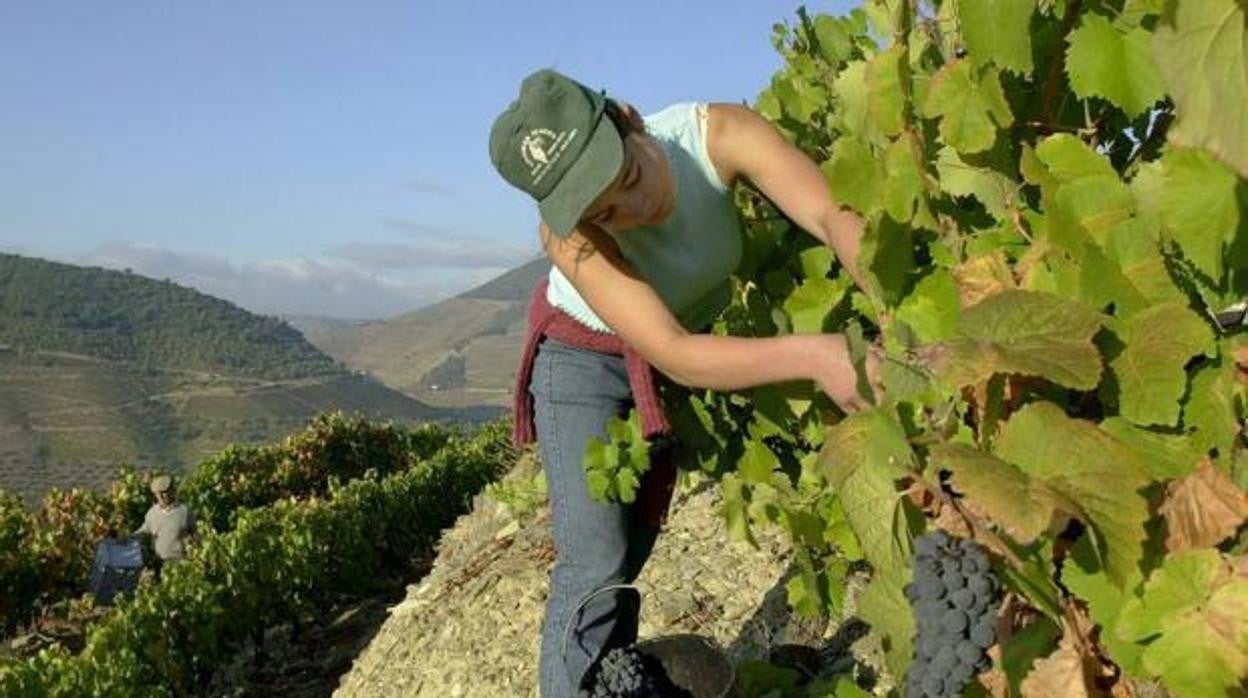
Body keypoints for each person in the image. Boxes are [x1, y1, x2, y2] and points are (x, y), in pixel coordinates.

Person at [489, 69, 883, 697]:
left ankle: (607, 681)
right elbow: (674, 352)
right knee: (594, 560)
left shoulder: (718, 135)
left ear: (631, 118)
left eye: (631, 179)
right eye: (608, 213)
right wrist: (819, 354)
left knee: (634, 541)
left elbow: (830, 213)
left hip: (673, 341)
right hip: (582, 359)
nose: (635, 210)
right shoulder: (574, 244)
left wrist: (891, 304)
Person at [133, 474, 196, 578]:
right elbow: (144, 531)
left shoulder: (185, 512)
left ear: (172, 491)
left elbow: (196, 535)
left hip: (180, 563)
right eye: (158, 494)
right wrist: (127, 537)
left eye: (164, 492)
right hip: (159, 563)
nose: (161, 497)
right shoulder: (152, 513)